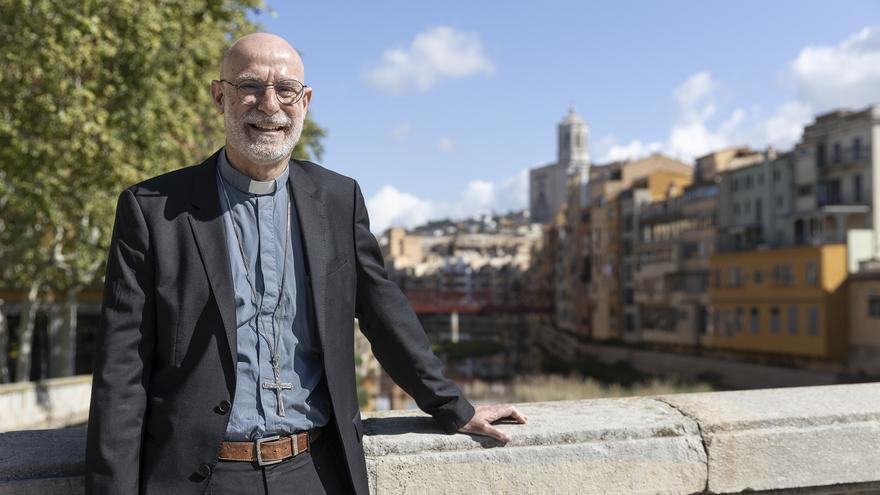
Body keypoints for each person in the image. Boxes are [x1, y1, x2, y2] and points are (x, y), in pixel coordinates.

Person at [85, 32, 526, 494]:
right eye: (250, 86)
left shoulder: (339, 199)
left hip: (315, 472)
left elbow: (383, 314)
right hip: (202, 478)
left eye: (286, 90)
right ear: (220, 97)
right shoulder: (152, 209)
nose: (269, 105)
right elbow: (122, 370)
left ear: (305, 100)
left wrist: (454, 407)